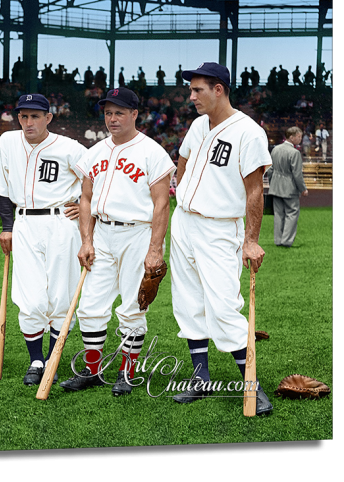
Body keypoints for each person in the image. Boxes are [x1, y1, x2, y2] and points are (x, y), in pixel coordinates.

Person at [169, 63, 273, 415]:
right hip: (183, 221)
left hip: (219, 227)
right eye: (191, 89)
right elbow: (182, 160)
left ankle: (251, 386)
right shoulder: (199, 124)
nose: (191, 96)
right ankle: (201, 378)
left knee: (224, 306)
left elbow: (255, 189)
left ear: (219, 90)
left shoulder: (248, 131)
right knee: (187, 302)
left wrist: (251, 239)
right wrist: (181, 192)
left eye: (198, 89)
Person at [60, 86, 175, 396]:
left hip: (137, 233)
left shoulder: (152, 151)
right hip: (103, 234)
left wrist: (155, 249)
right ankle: (93, 370)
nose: (112, 118)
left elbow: (162, 204)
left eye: (119, 112)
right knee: (90, 306)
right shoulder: (94, 151)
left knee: (133, 307)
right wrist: (86, 240)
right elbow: (85, 199)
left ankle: (128, 371)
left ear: (134, 114)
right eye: (108, 112)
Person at [0, 93, 87, 386]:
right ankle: (36, 361)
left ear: (48, 118)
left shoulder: (70, 147)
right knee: (29, 298)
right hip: (25, 222)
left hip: (61, 223)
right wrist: (7, 226)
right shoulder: (7, 142)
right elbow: (0, 188)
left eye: (35, 116)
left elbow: (95, 179)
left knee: (60, 294)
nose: (28, 122)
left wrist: (83, 205)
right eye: (23, 116)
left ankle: (53, 358)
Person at [266, 127, 308, 248]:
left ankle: (278, 240)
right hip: (289, 188)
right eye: (299, 136)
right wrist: (303, 189)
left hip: (275, 186)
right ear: (292, 137)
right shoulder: (294, 153)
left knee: (278, 214)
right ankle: (287, 240)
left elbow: (270, 170)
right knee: (292, 213)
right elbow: (297, 174)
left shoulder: (275, 150)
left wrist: (272, 183)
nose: (300, 139)